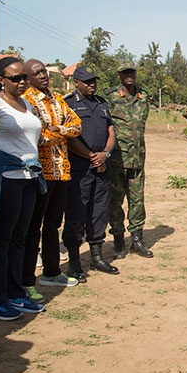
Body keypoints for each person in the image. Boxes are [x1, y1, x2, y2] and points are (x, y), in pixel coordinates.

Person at [0, 58, 45, 321]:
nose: (21, 82)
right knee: (1, 240)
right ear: (1, 80)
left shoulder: (27, 104)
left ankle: (15, 291)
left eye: (23, 78)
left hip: (28, 178)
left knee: (19, 237)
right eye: (15, 78)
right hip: (7, 178)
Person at [20, 59, 81, 294]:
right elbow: (39, 137)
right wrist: (60, 133)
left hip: (61, 170)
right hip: (40, 172)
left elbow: (77, 125)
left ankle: (52, 272)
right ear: (28, 77)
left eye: (44, 70)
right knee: (32, 227)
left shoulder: (57, 98)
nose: (43, 75)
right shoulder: (27, 100)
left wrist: (60, 130)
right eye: (36, 73)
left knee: (53, 224)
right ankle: (26, 280)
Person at [63, 65, 119, 278]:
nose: (91, 84)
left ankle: (96, 256)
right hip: (80, 169)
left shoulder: (102, 104)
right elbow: (70, 138)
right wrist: (91, 157)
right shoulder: (68, 104)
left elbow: (110, 131)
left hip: (103, 167)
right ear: (76, 82)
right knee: (76, 213)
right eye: (87, 81)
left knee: (99, 212)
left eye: (94, 80)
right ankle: (75, 260)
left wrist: (104, 154)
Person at [105, 62, 152, 259]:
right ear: (119, 76)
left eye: (131, 72)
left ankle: (137, 239)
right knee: (115, 201)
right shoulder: (110, 96)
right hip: (117, 158)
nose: (129, 76)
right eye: (125, 73)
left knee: (137, 200)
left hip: (137, 157)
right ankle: (118, 238)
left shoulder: (143, 96)